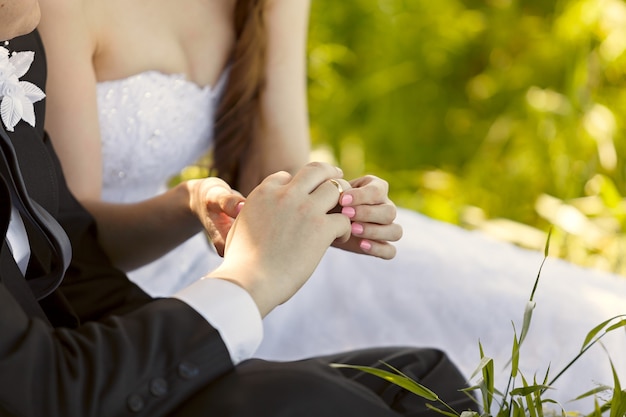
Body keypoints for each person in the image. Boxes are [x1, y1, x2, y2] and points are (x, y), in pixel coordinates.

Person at [36, 0, 626, 410]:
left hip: (235, 242)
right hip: (119, 286)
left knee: (553, 316)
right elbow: (78, 238)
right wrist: (192, 205)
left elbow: (279, 169)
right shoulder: (58, 9)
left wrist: (334, 204)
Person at [0, 4, 482, 416]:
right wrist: (248, 282)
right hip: (65, 380)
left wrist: (299, 210)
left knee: (426, 378)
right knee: (315, 399)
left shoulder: (13, 52)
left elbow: (73, 262)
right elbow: (46, 389)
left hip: (104, 335)